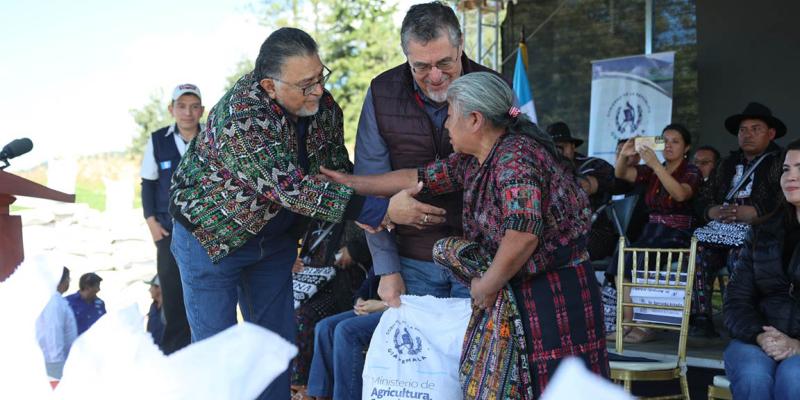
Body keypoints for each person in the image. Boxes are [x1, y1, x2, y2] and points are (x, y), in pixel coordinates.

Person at [168, 27, 438, 400]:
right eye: (305, 85)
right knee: (218, 354)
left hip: (274, 242)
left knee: (274, 349)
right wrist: (379, 209)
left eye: (319, 77)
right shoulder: (241, 116)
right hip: (211, 240)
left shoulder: (323, 109)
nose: (318, 91)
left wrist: (373, 209)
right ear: (269, 86)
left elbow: (335, 173)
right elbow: (290, 187)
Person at [323, 72, 609, 398]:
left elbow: (523, 233)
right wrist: (350, 184)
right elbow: (416, 178)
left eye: (450, 114)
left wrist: (487, 286)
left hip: (554, 295)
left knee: (558, 387)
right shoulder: (474, 160)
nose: (446, 124)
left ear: (475, 119)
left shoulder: (516, 158)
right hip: (520, 289)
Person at [305, 3, 504, 399]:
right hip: (413, 260)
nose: (434, 76)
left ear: (461, 45)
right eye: (420, 66)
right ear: (406, 57)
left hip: (481, 261)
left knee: (475, 370)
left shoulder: (495, 87)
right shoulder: (381, 92)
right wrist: (387, 268)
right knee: (414, 378)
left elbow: (520, 141)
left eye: (445, 63)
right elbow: (375, 185)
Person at [693, 102, 785, 336]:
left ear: (770, 133)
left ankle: (743, 318)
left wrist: (756, 213)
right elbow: (702, 198)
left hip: (759, 234)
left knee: (741, 255)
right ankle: (701, 317)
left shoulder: (779, 161)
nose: (748, 134)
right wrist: (712, 211)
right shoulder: (726, 164)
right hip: (721, 231)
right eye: (743, 130)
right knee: (699, 251)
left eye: (756, 129)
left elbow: (784, 197)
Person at [609, 123, 702, 343]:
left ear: (686, 147)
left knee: (644, 259)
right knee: (622, 260)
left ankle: (645, 325)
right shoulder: (652, 169)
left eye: (675, 141)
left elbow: (680, 195)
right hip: (652, 230)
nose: (668, 145)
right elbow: (621, 173)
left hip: (677, 232)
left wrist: (655, 166)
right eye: (665, 141)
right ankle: (627, 323)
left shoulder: (691, 171)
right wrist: (625, 154)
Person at [723, 139, 800, 400]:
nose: (791, 177)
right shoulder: (762, 231)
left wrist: (796, 345)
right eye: (786, 169)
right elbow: (735, 300)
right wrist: (759, 336)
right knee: (754, 375)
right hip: (758, 339)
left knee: (794, 377)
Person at [140, 83, 202, 354]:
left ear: (202, 110)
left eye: (194, 106)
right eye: (181, 106)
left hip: (207, 233)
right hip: (168, 232)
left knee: (206, 294)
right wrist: (151, 222)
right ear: (171, 109)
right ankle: (174, 356)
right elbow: (147, 183)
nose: (187, 112)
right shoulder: (157, 140)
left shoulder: (213, 139)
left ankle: (204, 353)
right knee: (173, 295)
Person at [546, 121, 614, 261]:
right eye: (553, 147)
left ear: (572, 146)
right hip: (556, 234)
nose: (558, 151)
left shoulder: (594, 165)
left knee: (559, 252)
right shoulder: (542, 169)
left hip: (594, 231)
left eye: (561, 146)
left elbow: (585, 187)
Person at [36, 267, 78, 379]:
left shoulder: (56, 300)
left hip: (56, 361)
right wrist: (57, 365)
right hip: (54, 363)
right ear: (62, 281)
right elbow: (54, 332)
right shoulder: (54, 302)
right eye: (68, 279)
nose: (69, 282)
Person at [145, 275, 165, 349]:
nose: (149, 290)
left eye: (151, 286)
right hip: (152, 352)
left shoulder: (170, 309)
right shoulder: (153, 307)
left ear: (159, 288)